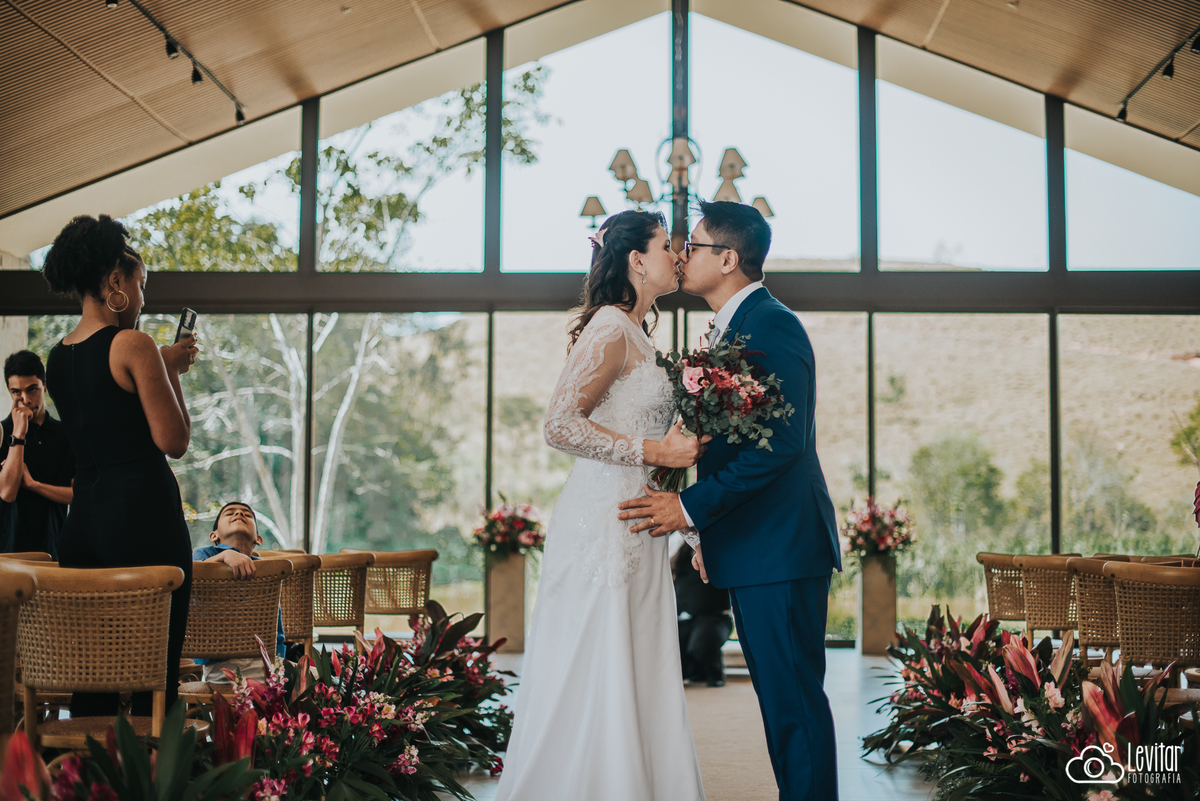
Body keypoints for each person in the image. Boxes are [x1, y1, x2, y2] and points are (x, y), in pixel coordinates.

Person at [618, 200, 842, 800]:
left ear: (728, 258)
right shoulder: (730, 328)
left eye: (694, 244)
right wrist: (706, 536)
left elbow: (783, 445)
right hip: (755, 545)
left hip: (782, 547)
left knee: (793, 703)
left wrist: (689, 508)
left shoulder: (771, 325)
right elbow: (732, 444)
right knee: (780, 702)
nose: (683, 255)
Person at [496, 210, 710, 801]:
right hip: (603, 519)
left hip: (642, 518)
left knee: (636, 656)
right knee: (596, 655)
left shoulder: (639, 333)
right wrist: (652, 449)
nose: (678, 256)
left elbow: (661, 451)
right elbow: (560, 425)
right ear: (637, 260)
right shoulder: (612, 326)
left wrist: (692, 531)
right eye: (667, 246)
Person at [42, 214, 199, 719]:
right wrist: (171, 371)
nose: (143, 298)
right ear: (115, 282)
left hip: (84, 526)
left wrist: (163, 365)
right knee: (156, 683)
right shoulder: (133, 344)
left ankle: (86, 766)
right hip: (143, 523)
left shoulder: (56, 357)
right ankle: (152, 766)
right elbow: (174, 441)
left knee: (94, 683)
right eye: (141, 284)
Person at [191, 500, 286, 683]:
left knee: (320, 679)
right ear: (214, 535)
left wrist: (279, 660)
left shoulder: (265, 569)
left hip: (266, 662)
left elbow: (276, 624)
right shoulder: (204, 555)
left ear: (258, 538)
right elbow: (190, 574)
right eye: (230, 512)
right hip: (221, 665)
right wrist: (225, 555)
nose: (239, 514)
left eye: (247, 514)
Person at [1, 350, 74, 558]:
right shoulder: (3, 432)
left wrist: (34, 485)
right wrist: (19, 433)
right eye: (16, 392)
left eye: (32, 389)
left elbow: (76, 495)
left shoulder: (65, 434)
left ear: (45, 387)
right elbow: (7, 492)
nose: (25, 399)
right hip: (8, 551)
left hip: (53, 549)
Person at [674, 542, 733, 687]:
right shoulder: (679, 549)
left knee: (702, 644)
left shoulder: (718, 547)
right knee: (674, 653)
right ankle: (696, 672)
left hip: (714, 617)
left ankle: (715, 673)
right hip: (684, 618)